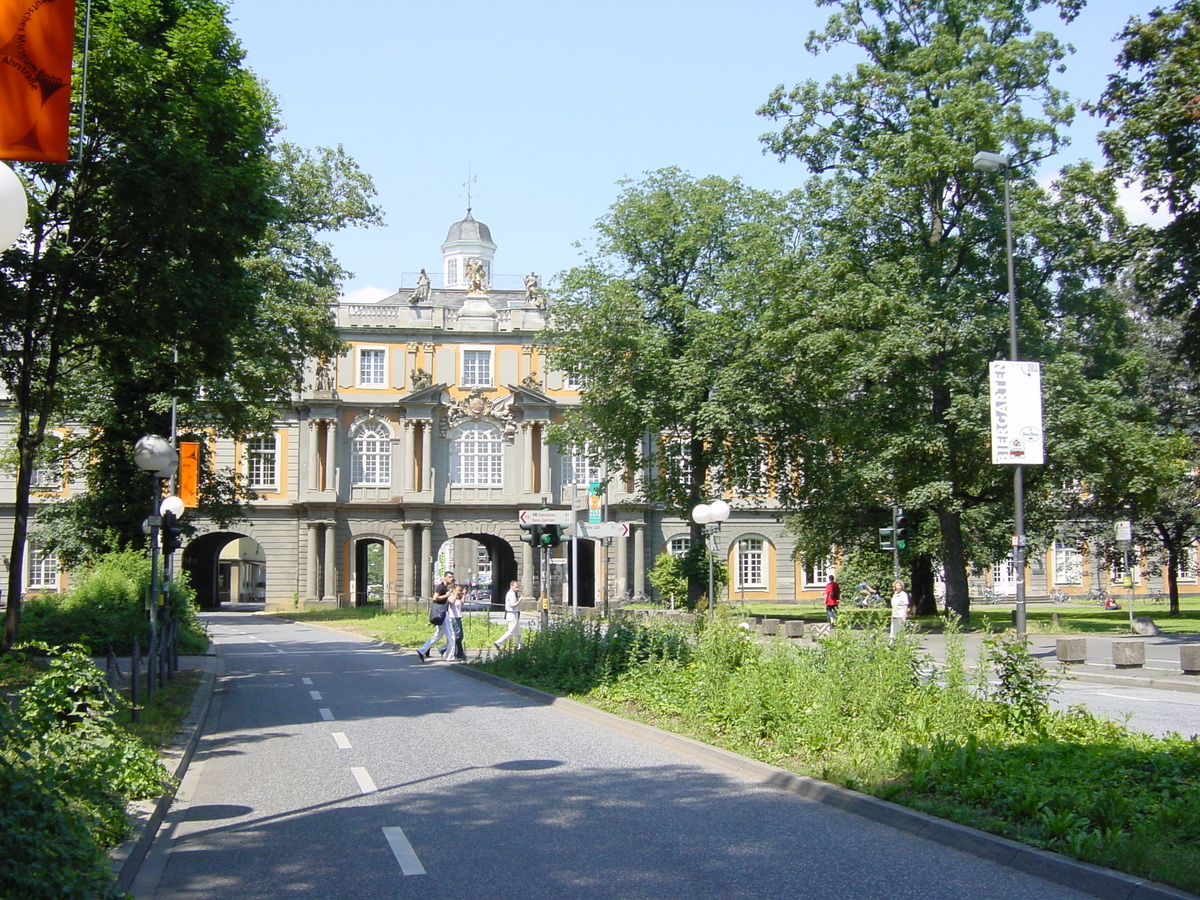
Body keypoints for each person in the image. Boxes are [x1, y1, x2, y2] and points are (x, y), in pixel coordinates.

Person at [416, 572, 456, 661]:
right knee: (451, 636)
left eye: (452, 577)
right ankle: (450, 657)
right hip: (443, 614)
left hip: (442, 614)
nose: (451, 579)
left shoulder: (445, 588)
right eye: (449, 577)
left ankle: (422, 650)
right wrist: (447, 595)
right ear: (444, 578)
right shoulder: (441, 587)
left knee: (438, 635)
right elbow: (435, 598)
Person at [495, 579, 522, 650]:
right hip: (511, 614)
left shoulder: (512, 594)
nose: (517, 589)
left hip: (514, 614)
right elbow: (513, 605)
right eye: (516, 587)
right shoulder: (510, 594)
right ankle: (498, 642)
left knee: (518, 631)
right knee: (511, 631)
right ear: (511, 586)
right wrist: (520, 600)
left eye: (518, 587)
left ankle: (519, 646)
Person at [445, 585, 467, 660]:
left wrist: (464, 594)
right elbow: (451, 602)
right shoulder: (450, 596)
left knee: (460, 636)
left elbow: (462, 603)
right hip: (453, 618)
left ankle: (445, 649)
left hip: (458, 617)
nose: (460, 592)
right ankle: (459, 652)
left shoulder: (458, 598)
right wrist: (455, 593)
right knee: (457, 636)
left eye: (461, 591)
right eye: (459, 591)